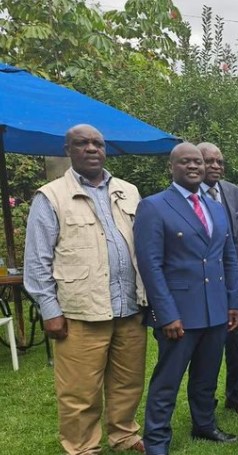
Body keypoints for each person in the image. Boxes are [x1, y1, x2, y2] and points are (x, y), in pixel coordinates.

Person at [24, 124, 147, 454]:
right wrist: (49, 310)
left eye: (98, 143)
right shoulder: (51, 196)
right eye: (82, 144)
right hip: (80, 310)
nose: (92, 149)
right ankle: (81, 447)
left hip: (129, 308)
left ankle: (124, 435)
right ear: (68, 150)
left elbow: (144, 247)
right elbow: (37, 260)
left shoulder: (128, 191)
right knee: (79, 390)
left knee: (128, 381)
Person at [134, 143, 238, 454]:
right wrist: (166, 314)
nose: (194, 166)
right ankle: (156, 441)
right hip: (179, 312)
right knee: (167, 381)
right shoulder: (154, 206)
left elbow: (229, 258)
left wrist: (232, 302)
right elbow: (150, 265)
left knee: (207, 376)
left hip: (215, 310)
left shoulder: (215, 207)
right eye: (185, 162)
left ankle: (204, 424)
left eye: (198, 161)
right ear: (172, 167)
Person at [198, 142, 238, 416]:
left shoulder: (233, 193)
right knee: (207, 349)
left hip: (237, 281)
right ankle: (204, 405)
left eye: (219, 162)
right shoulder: (189, 196)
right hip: (203, 283)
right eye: (209, 161)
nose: (215, 166)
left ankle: (235, 395)